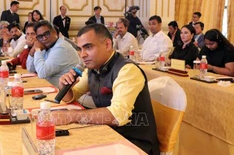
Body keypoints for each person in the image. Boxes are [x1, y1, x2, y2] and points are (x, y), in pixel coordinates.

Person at [54, 23, 160, 154]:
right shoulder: (93, 67)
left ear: (107, 44)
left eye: (88, 47)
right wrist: (64, 87)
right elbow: (73, 96)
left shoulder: (127, 70)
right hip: (109, 134)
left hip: (136, 144)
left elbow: (117, 115)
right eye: (80, 49)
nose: (82, 55)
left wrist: (71, 116)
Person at [26, 20, 80, 87]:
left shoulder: (61, 47)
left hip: (65, 93)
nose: (44, 38)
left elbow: (42, 73)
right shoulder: (46, 46)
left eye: (47, 34)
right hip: (50, 89)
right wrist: (32, 51)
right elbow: (30, 69)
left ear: (54, 32)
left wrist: (37, 50)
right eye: (40, 36)